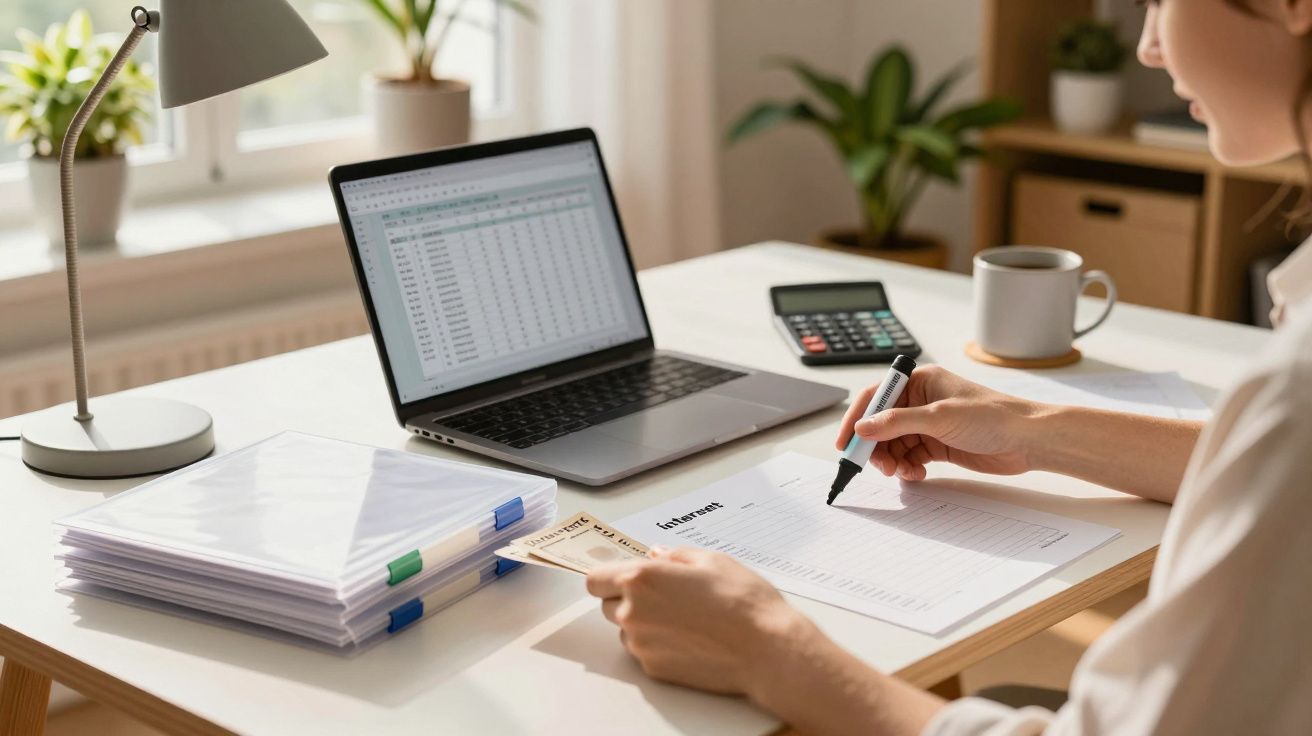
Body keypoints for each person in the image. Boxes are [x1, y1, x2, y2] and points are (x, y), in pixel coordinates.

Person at [584, 1, 1312, 733]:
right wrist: (1027, 428)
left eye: (1160, 0)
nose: (1149, 47)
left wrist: (764, 649)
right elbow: (1270, 471)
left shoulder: (1296, 385)